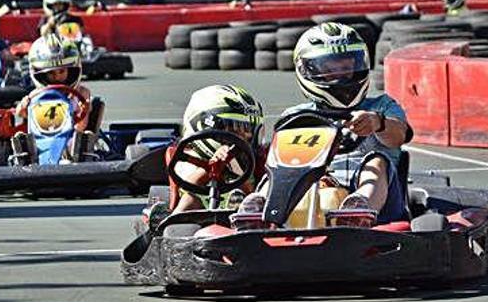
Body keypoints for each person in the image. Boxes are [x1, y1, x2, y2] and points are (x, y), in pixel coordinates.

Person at [239, 23, 411, 224]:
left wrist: (377, 123)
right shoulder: (297, 115)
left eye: (347, 68)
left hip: (378, 204)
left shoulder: (382, 106)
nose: (340, 76)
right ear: (308, 70)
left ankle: (360, 209)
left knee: (376, 160)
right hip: (308, 188)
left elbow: (399, 135)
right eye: (330, 70)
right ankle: (260, 207)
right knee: (280, 166)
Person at [172, 84, 266, 213]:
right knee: (191, 198)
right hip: (198, 216)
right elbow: (188, 184)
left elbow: (253, 191)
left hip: (248, 213)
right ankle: (171, 222)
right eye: (234, 128)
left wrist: (234, 165)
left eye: (248, 129)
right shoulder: (187, 158)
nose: (245, 136)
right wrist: (213, 166)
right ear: (203, 125)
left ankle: (236, 203)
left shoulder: (257, 159)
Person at [15, 34, 93, 134]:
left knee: (84, 135)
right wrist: (23, 108)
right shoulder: (36, 94)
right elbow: (20, 112)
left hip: (73, 137)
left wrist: (84, 109)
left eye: (61, 72)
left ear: (71, 71)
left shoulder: (81, 93)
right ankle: (25, 144)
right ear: (41, 74)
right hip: (42, 138)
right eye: (51, 73)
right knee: (20, 134)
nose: (57, 77)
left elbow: (81, 124)